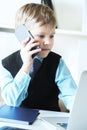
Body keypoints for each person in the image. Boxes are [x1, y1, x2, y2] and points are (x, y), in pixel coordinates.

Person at [0, 3, 77, 112]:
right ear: (23, 35)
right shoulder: (6, 65)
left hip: (49, 122)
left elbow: (72, 96)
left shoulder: (57, 63)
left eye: (52, 36)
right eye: (41, 36)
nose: (48, 42)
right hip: (18, 124)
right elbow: (12, 102)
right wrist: (26, 66)